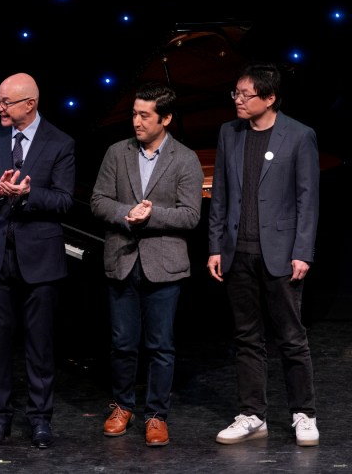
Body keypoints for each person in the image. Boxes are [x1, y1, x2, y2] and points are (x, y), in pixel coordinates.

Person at [208, 62, 320, 447]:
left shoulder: (299, 136)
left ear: (270, 98)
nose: (237, 100)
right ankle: (253, 414)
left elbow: (308, 199)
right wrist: (214, 246)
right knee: (246, 338)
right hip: (238, 252)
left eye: (245, 94)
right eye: (235, 93)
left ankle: (304, 413)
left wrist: (303, 250)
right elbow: (220, 193)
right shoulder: (229, 133)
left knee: (291, 338)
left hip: (282, 254)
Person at [0, 72, 75, 449]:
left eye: (4, 102)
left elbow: (63, 201)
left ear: (29, 104)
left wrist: (29, 195)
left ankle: (40, 420)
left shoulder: (60, 143)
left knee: (40, 346)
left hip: (40, 260)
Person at [89, 82, 203, 447]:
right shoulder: (116, 153)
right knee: (122, 342)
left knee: (160, 345)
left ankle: (157, 415)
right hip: (122, 259)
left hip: (164, 265)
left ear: (165, 118)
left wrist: (149, 217)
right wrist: (127, 214)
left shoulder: (184, 158)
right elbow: (98, 200)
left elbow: (190, 216)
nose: (136, 121)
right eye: (134, 114)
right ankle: (122, 406)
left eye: (144, 115)